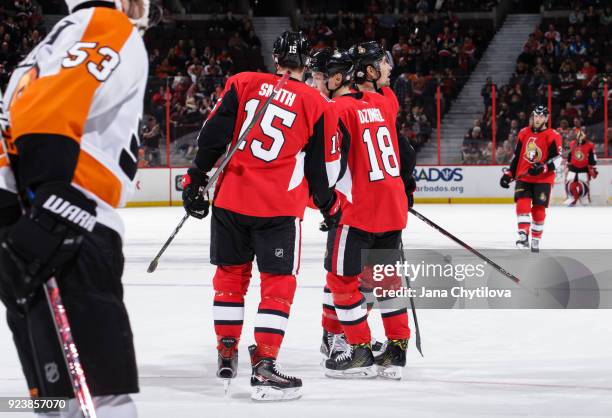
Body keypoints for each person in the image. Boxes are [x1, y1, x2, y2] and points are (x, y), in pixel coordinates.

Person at [0, 1, 149, 416]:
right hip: (71, 230)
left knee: (54, 402)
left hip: (30, 233)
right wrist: (52, 207)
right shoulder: (103, 22)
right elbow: (46, 110)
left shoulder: (42, 49)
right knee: (103, 399)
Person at [182, 31, 340, 401]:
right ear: (305, 63)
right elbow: (319, 168)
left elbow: (212, 137)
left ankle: (226, 351)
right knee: (277, 286)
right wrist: (329, 206)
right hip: (278, 210)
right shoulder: (317, 104)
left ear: (276, 57)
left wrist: (194, 181)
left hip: (230, 201)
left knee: (230, 279)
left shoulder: (243, 82)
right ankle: (265, 366)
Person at [315, 43, 415, 380]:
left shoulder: (337, 110)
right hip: (392, 207)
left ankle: (359, 350)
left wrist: (325, 204)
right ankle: (397, 349)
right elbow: (407, 153)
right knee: (387, 281)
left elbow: (330, 165)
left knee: (341, 281)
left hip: (358, 212)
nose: (389, 71)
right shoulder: (385, 102)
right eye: (383, 66)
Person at [500, 106, 562, 252]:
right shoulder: (523, 132)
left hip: (543, 179)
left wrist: (543, 168)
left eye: (541, 117)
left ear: (546, 118)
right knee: (522, 204)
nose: (537, 119)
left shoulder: (553, 135)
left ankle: (535, 239)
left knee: (539, 209)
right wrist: (509, 174)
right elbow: (517, 156)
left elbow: (558, 160)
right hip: (524, 176)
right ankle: (523, 236)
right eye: (535, 116)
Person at [565, 128, 597, 206]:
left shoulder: (590, 145)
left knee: (584, 185)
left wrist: (592, 166)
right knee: (569, 183)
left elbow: (592, 159)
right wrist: (568, 162)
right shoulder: (572, 144)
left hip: (584, 169)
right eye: (578, 134)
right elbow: (569, 155)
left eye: (582, 134)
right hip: (572, 168)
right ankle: (571, 199)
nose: (580, 136)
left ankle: (584, 201)